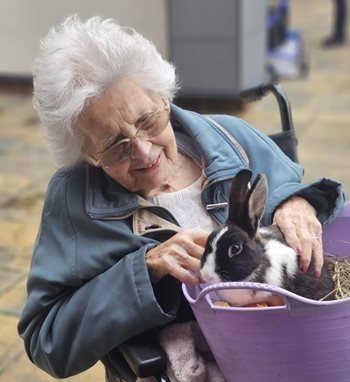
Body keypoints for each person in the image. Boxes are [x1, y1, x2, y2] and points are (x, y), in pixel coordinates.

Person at [18, 16, 344, 381]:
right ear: (85, 153)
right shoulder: (72, 200)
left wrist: (297, 202)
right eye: (114, 145)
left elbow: (293, 194)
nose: (142, 152)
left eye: (148, 120)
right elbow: (46, 340)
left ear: (164, 96)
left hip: (293, 353)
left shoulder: (230, 137)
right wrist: (144, 272)